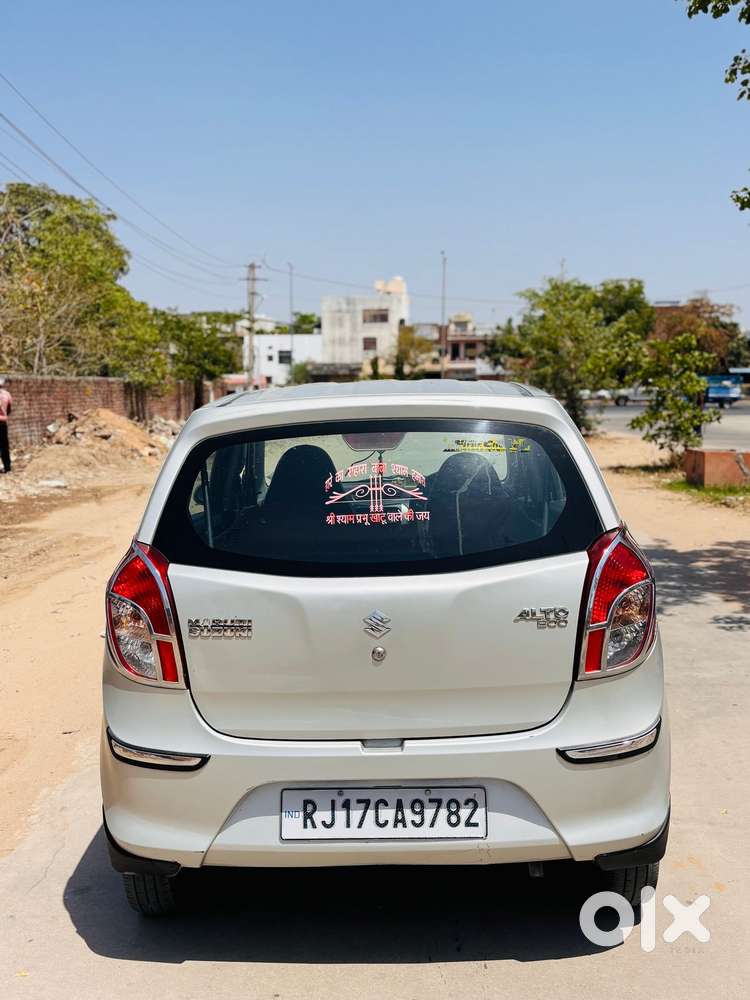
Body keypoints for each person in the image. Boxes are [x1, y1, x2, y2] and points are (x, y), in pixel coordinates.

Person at [0, 376, 12, 473]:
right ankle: (7, 467)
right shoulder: (7, 394)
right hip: (2, 423)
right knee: (4, 445)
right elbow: (9, 409)